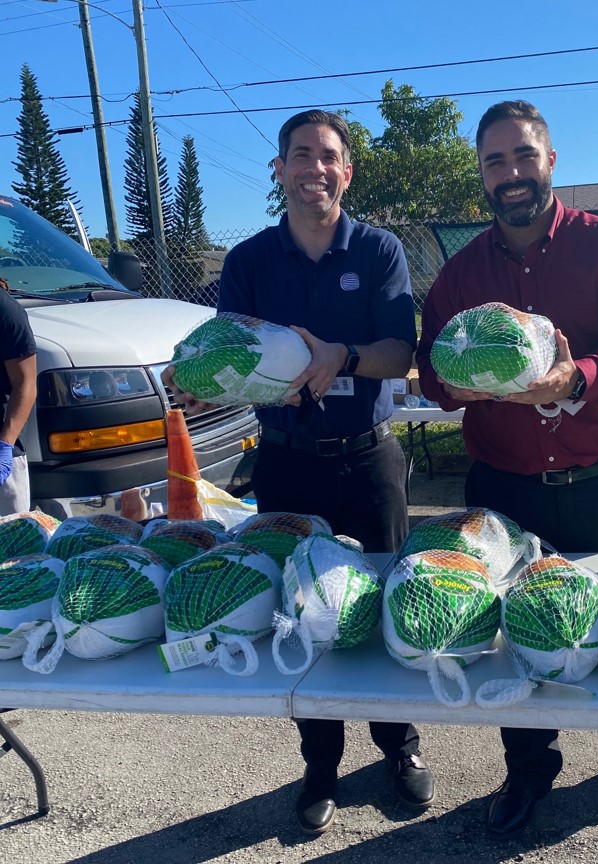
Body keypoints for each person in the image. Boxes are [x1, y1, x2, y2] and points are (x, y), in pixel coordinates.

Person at [162, 109, 435, 835]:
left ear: (347, 172)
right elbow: (230, 356)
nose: (315, 167)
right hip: (285, 466)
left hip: (369, 463)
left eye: (330, 156)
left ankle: (399, 745)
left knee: (382, 610)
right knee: (301, 613)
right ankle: (321, 762)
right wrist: (201, 382)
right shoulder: (249, 262)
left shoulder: (378, 251)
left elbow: (399, 355)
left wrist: (337, 356)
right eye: (301, 155)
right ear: (279, 171)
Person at [416, 100, 598, 836]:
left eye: (524, 155)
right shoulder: (463, 275)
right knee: (519, 636)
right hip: (507, 493)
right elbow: (431, 368)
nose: (511, 174)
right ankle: (530, 770)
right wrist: (453, 386)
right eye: (495, 161)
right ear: (481, 173)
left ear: (551, 160)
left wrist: (576, 380)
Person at [0, 276, 37, 517]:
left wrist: (5, 445)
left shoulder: (4, 309)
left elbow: (25, 382)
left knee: (13, 547)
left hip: (3, 453)